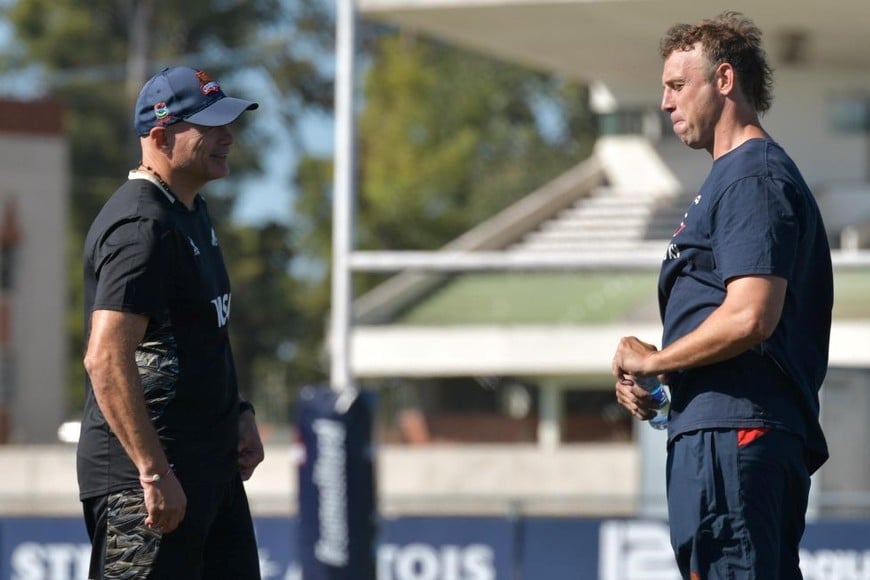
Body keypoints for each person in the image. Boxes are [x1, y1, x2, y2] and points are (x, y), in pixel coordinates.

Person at [612, 12, 832, 580]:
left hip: (735, 436)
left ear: (725, 80)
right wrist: (662, 384)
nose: (665, 102)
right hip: (720, 433)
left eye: (678, 85)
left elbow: (752, 314)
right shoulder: (731, 179)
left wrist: (657, 361)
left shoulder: (752, 176)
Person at [77, 66, 265, 580]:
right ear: (160, 137)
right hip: (151, 488)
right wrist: (154, 471)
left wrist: (239, 412)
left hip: (209, 474)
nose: (228, 137)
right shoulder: (142, 225)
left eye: (230, 122)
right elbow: (105, 356)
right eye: (211, 126)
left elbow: (202, 336)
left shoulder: (189, 211)